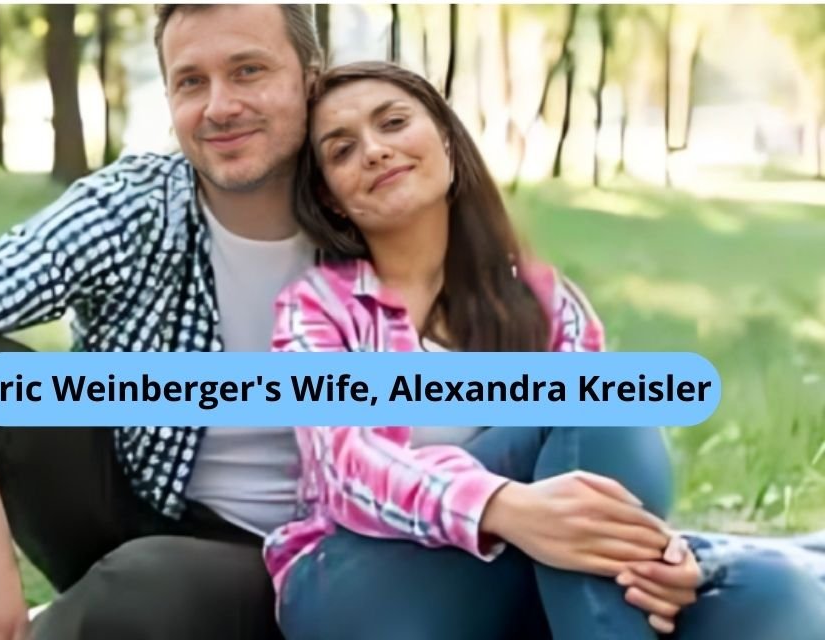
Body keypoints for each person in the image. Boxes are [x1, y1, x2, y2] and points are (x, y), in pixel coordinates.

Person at [0, 6, 820, 640]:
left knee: (149, 588)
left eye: (249, 71)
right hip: (143, 497)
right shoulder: (139, 206)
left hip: (305, 556)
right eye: (190, 81)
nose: (220, 105)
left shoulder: (373, 226)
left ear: (308, 75)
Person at [263, 60, 825, 640]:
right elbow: (347, 466)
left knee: (775, 593)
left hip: (530, 580)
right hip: (368, 584)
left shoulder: (545, 301)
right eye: (342, 150)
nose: (375, 150)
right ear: (331, 200)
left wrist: (656, 556)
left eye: (394, 122)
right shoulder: (318, 308)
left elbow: (604, 462)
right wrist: (503, 507)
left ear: (449, 144)